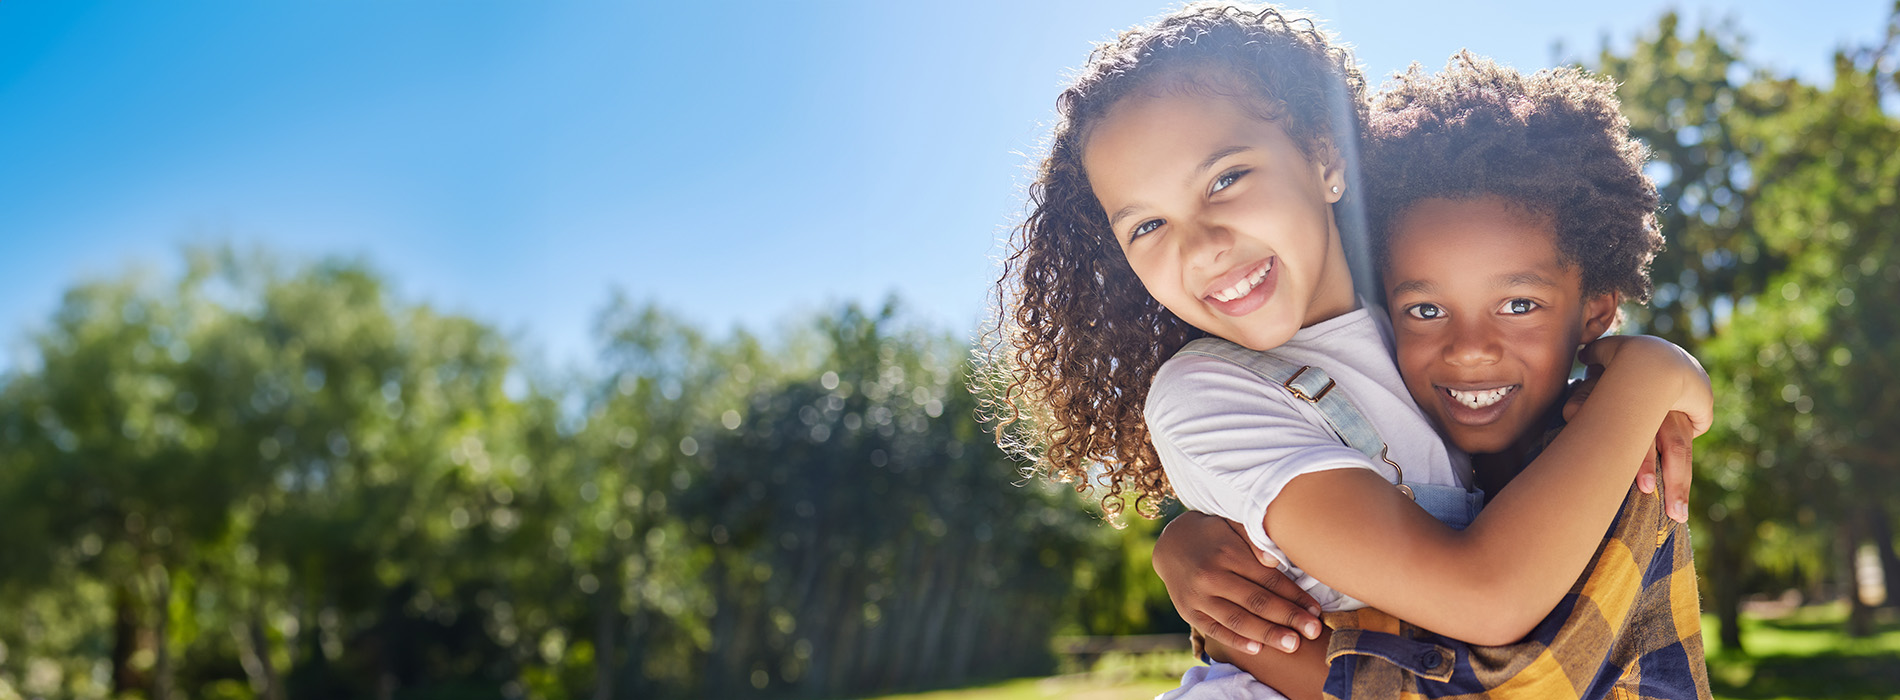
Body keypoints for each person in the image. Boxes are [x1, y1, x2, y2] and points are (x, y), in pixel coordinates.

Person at [984, 4, 1710, 699]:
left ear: (1323, 157)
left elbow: (1647, 424)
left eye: (1227, 179)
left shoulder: (1425, 327)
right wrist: (1650, 373)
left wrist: (1629, 389)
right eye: (1145, 225)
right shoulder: (1206, 393)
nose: (1201, 246)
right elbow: (1484, 597)